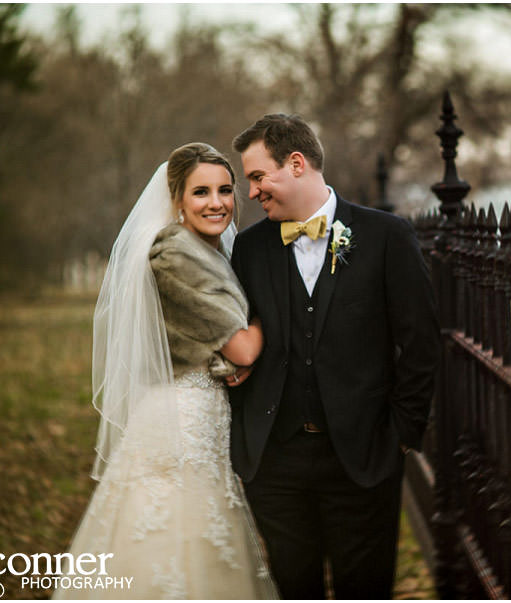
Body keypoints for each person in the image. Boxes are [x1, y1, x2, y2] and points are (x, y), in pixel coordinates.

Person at [228, 114, 440, 599]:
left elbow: (422, 341)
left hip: (363, 460)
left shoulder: (387, 236)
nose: (253, 191)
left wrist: (402, 435)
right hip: (276, 465)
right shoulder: (249, 249)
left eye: (259, 176)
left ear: (296, 163)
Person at [53, 143, 278, 599]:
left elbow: (207, 341)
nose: (216, 202)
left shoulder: (208, 252)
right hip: (180, 418)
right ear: (178, 201)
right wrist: (272, 314)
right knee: (171, 532)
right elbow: (245, 348)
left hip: (205, 413)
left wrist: (228, 364)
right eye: (200, 192)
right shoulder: (174, 255)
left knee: (206, 531)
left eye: (225, 190)